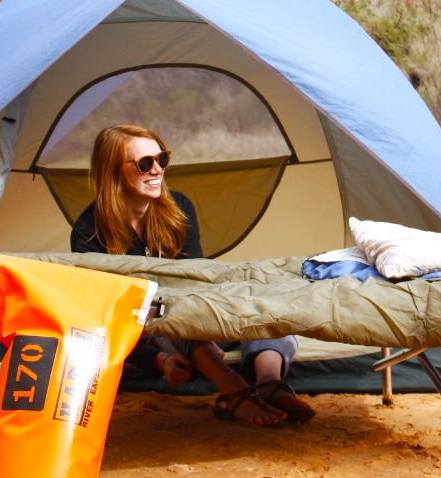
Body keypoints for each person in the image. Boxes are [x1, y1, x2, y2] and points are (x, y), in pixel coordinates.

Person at [70, 123, 314, 428]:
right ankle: (235, 390)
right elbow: (107, 317)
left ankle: (268, 382)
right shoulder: (89, 232)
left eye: (162, 159)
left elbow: (194, 279)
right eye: (145, 163)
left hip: (194, 313)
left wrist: (209, 325)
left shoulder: (178, 209)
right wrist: (160, 361)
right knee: (167, 315)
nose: (157, 169)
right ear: (113, 171)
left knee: (263, 302)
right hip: (147, 333)